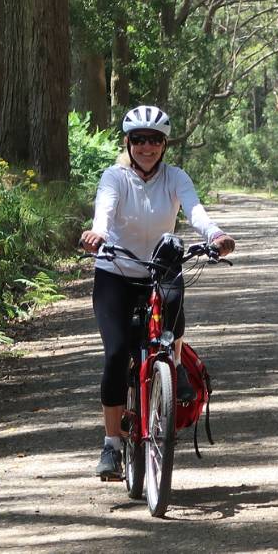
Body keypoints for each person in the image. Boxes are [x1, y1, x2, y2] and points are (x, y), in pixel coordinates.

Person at [80, 105, 235, 479]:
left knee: (172, 307)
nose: (147, 147)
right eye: (139, 140)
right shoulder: (114, 177)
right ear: (128, 142)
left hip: (160, 269)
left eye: (155, 140)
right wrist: (98, 233)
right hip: (115, 271)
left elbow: (195, 211)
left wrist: (214, 236)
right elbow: (105, 210)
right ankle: (112, 444)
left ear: (164, 145)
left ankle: (174, 365)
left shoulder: (175, 177)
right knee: (117, 353)